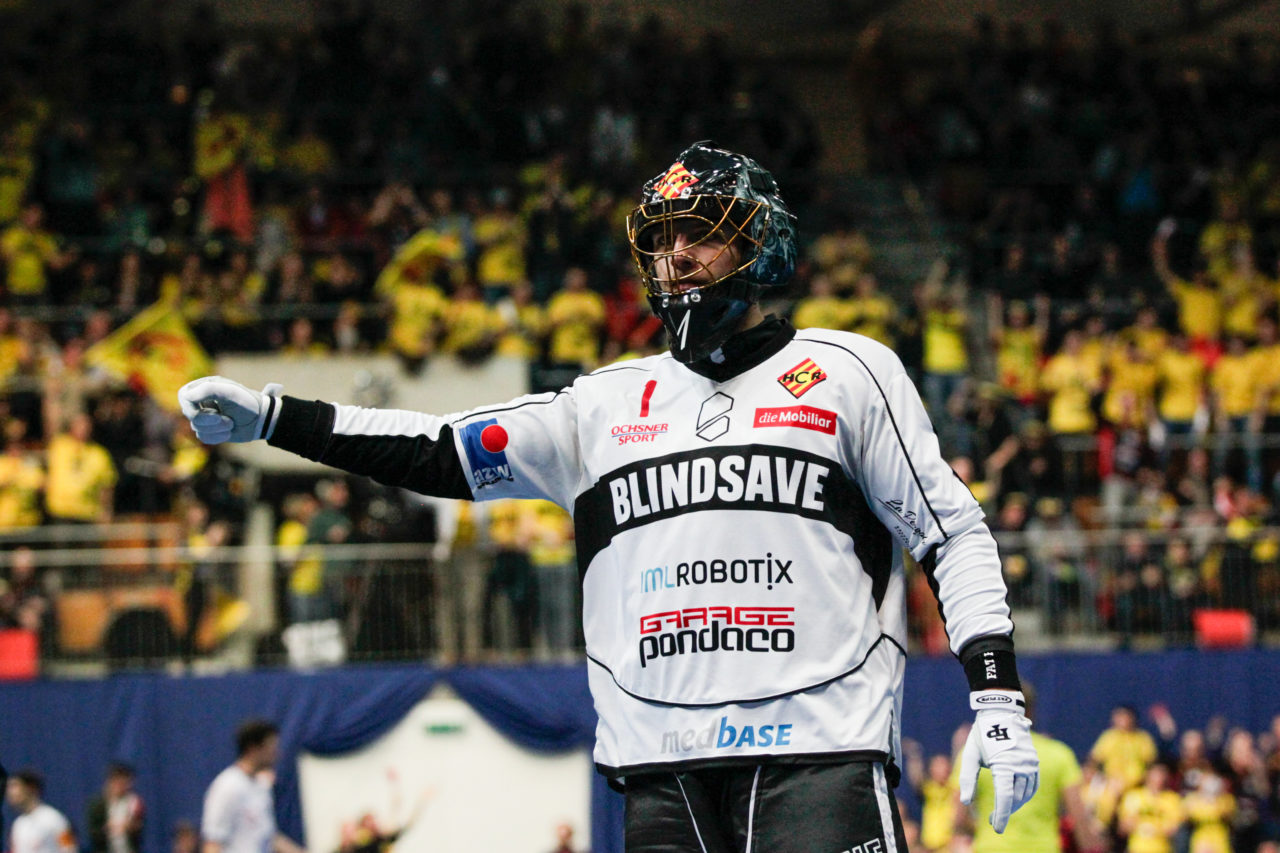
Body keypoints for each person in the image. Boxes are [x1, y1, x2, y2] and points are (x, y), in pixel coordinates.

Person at [179, 141, 1038, 852]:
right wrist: (275, 417)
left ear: (760, 245)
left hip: (821, 757)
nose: (678, 255)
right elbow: (438, 449)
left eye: (702, 233)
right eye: (663, 238)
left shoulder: (849, 371)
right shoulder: (600, 405)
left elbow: (951, 531)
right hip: (660, 776)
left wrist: (995, 694)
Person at [958, 683, 1103, 853]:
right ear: (1029, 711)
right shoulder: (1059, 755)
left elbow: (958, 819)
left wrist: (987, 830)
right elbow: (1079, 818)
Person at [201, 720, 307, 853]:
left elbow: (268, 836)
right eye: (271, 747)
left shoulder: (262, 785)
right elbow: (212, 844)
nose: (277, 753)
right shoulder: (227, 787)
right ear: (253, 749)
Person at [6, 768, 76, 853]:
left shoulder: (54, 819)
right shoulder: (18, 824)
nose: (10, 792)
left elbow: (69, 848)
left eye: (15, 786)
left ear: (31, 788)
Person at [85, 762, 145, 853]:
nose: (121, 786)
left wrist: (129, 827)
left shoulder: (134, 803)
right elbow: (92, 832)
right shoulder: (97, 805)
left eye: (125, 782)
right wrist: (108, 829)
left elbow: (139, 828)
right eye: (118, 782)